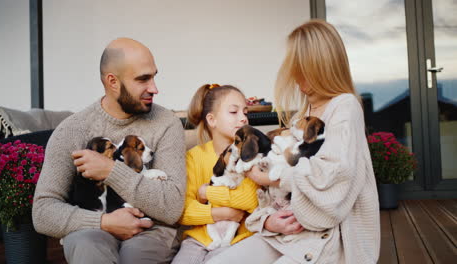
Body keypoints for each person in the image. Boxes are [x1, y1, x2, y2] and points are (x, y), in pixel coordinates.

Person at [207, 19, 380, 264]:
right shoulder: (304, 113)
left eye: (304, 73)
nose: (298, 82)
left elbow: (334, 176)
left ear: (323, 68)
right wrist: (267, 220)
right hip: (287, 232)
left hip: (327, 239)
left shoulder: (345, 106)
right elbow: (278, 189)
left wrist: (269, 177)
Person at [32, 38, 187, 264]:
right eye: (143, 79)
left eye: (154, 76)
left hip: (152, 231)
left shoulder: (166, 124)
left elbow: (172, 207)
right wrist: (103, 222)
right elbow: (43, 212)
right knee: (88, 247)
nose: (154, 88)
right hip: (90, 229)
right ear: (113, 81)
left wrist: (111, 170)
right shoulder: (71, 131)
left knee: (135, 257)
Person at [171, 84, 259, 263]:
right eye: (234, 112)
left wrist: (206, 193)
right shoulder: (194, 157)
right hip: (198, 239)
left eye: (245, 112)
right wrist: (223, 213)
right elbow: (183, 210)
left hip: (237, 239)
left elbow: (250, 200)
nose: (243, 118)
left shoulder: (251, 156)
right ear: (212, 120)